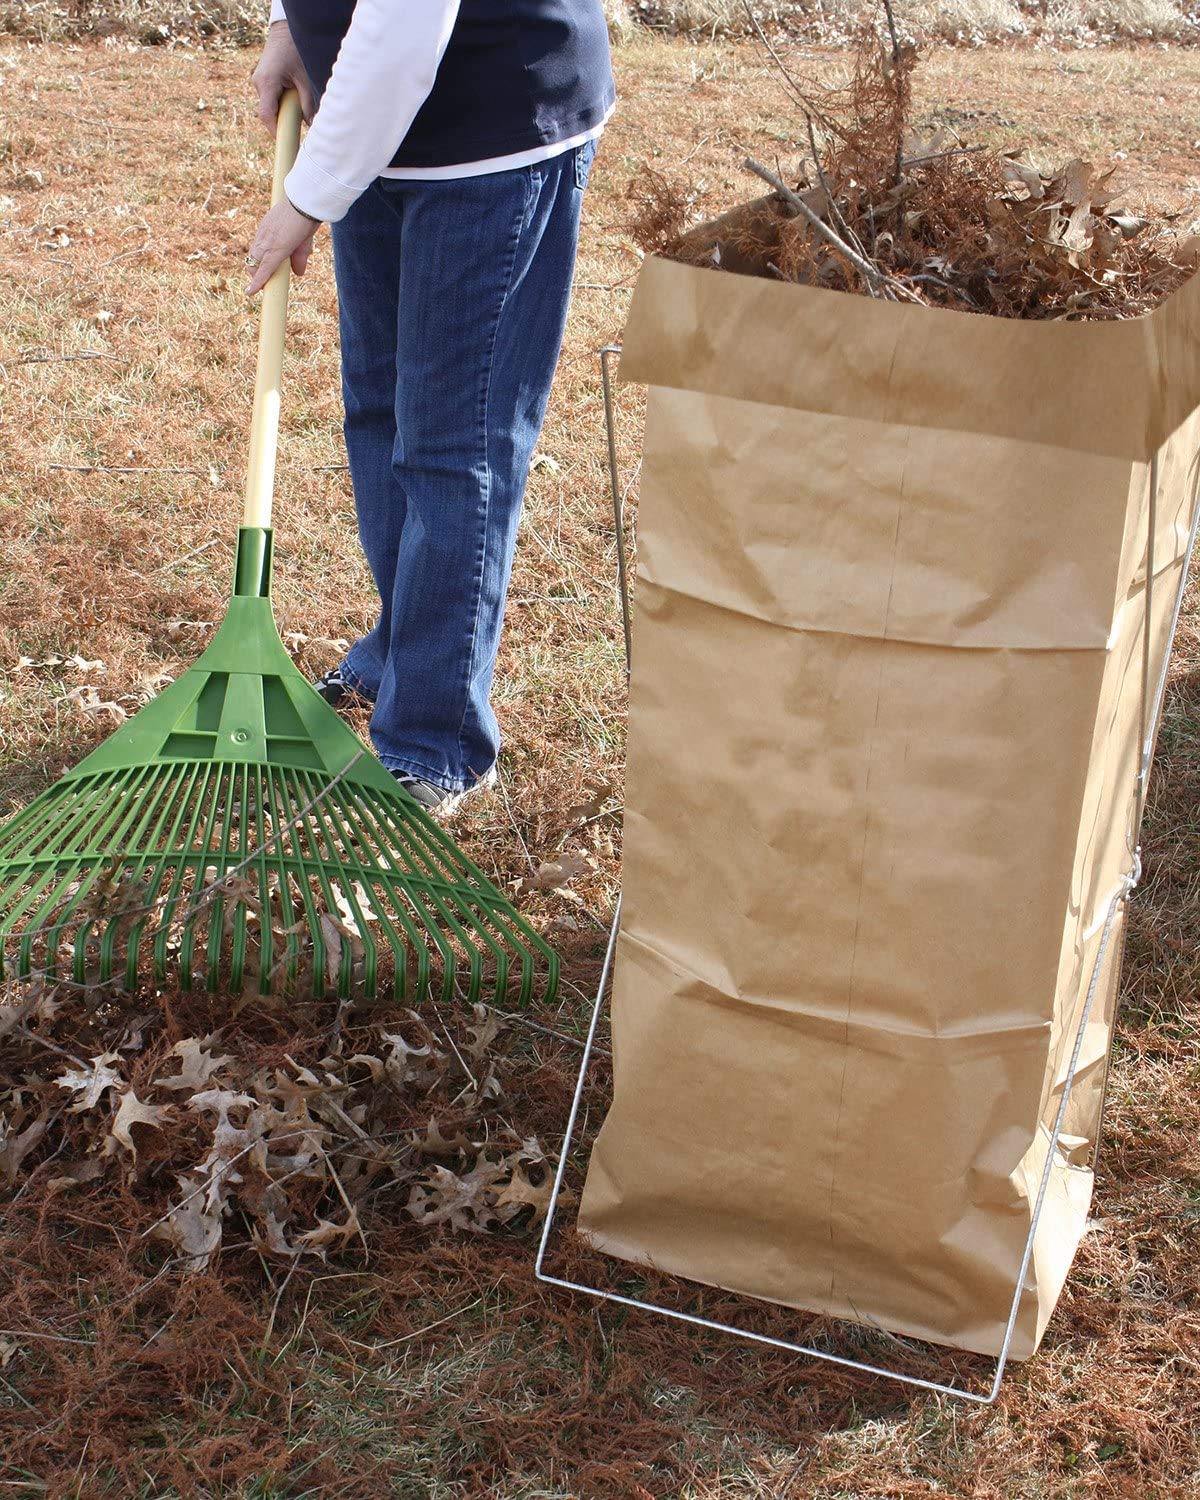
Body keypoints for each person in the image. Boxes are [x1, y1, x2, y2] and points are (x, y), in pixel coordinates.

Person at [247, 1, 615, 814]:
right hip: (378, 128)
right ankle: (407, 655)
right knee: (379, 415)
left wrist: (310, 196)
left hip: (492, 132)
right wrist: (288, 24)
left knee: (454, 446)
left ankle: (437, 740)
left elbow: (406, 26)